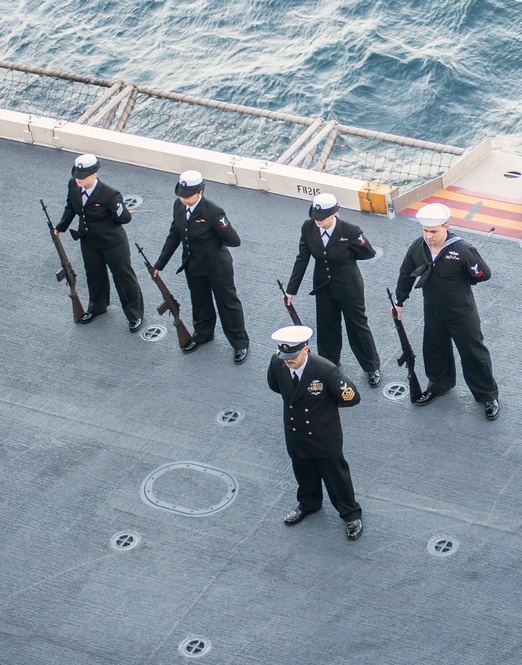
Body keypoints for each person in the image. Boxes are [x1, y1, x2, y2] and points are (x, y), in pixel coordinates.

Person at [392, 203, 500, 419]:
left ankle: (487, 395)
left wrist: (461, 284)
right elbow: (406, 273)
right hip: (432, 311)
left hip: (462, 313)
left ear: (446, 227)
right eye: (425, 231)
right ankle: (439, 384)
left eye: (433, 231)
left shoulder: (462, 250)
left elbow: (482, 274)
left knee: (473, 354)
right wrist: (399, 301)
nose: (429, 236)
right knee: (434, 350)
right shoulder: (418, 247)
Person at [267, 325, 364, 540]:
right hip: (295, 432)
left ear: (305, 349)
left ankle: (350, 513)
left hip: (323, 436)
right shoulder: (278, 363)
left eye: (292, 356)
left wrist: (330, 405)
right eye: (285, 356)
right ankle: (309, 502)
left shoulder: (325, 370)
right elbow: (275, 386)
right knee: (303, 471)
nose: (288, 361)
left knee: (336, 476)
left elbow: (351, 397)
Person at [283, 193, 382, 387]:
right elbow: (302, 258)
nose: (318, 221)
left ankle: (371, 366)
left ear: (335, 213)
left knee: (357, 327)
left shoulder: (350, 231)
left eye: (322, 218)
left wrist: (347, 259)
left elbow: (367, 252)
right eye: (316, 217)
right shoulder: (309, 227)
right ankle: (328, 364)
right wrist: (291, 290)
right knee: (327, 327)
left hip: (349, 286)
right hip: (323, 286)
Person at [152, 170, 250, 364]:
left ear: (201, 191)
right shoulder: (178, 207)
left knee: (227, 304)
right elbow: (174, 236)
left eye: (188, 196)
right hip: (193, 265)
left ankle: (240, 343)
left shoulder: (213, 212)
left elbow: (233, 240)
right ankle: (203, 334)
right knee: (200, 301)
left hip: (217, 268)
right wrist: (159, 265)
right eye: (182, 195)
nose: (184, 199)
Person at [54, 153, 144, 331]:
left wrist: (118, 211)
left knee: (123, 277)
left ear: (94, 174)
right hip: (88, 240)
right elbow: (70, 207)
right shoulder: (73, 185)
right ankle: (97, 306)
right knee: (94, 275)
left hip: (113, 243)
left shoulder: (110, 194)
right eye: (77, 176)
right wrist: (60, 228)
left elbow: (124, 219)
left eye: (83, 176)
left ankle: (134, 314)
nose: (78, 179)